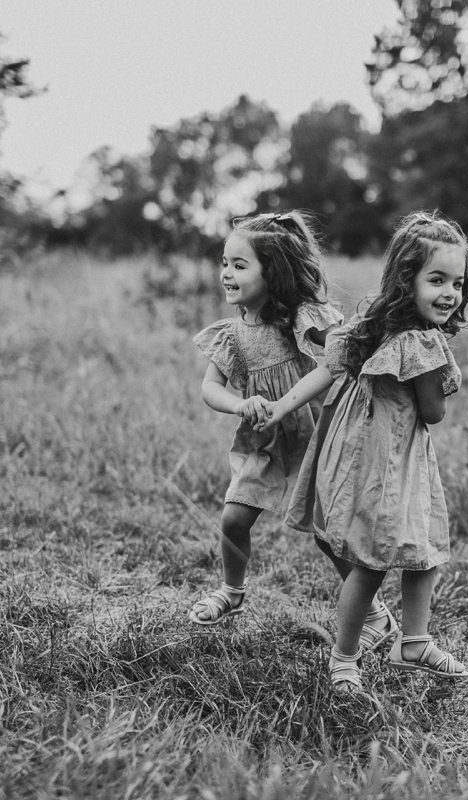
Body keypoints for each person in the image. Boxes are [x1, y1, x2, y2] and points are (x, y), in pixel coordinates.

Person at [257, 210, 468, 692]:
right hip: (385, 459)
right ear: (406, 277)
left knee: (423, 549)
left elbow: (326, 369)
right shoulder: (421, 343)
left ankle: (413, 642)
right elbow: (433, 413)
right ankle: (344, 658)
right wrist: (436, 377)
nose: (449, 293)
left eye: (456, 283)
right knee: (375, 560)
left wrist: (279, 406)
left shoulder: (370, 319)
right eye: (436, 279)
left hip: (355, 451)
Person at [187, 211, 344, 626]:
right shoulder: (232, 334)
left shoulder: (302, 316)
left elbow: (338, 360)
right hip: (264, 440)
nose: (226, 273)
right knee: (234, 517)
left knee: (327, 535)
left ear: (272, 272)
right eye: (224, 263)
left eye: (240, 265)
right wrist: (239, 404)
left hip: (315, 439)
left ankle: (373, 613)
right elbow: (210, 387)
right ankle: (232, 590)